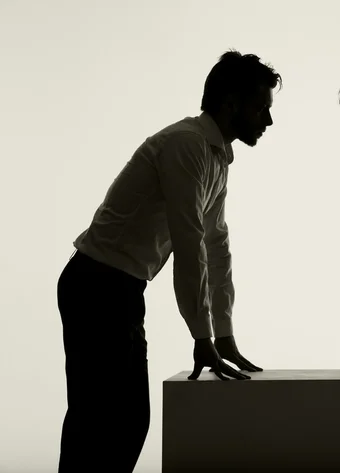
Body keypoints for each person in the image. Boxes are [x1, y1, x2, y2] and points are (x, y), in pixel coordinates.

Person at [56, 50, 281, 473]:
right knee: (105, 422)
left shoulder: (216, 156)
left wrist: (223, 332)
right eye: (261, 108)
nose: (267, 121)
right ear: (231, 103)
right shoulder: (188, 145)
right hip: (98, 284)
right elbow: (189, 242)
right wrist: (202, 336)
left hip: (117, 287)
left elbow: (216, 246)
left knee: (118, 422)